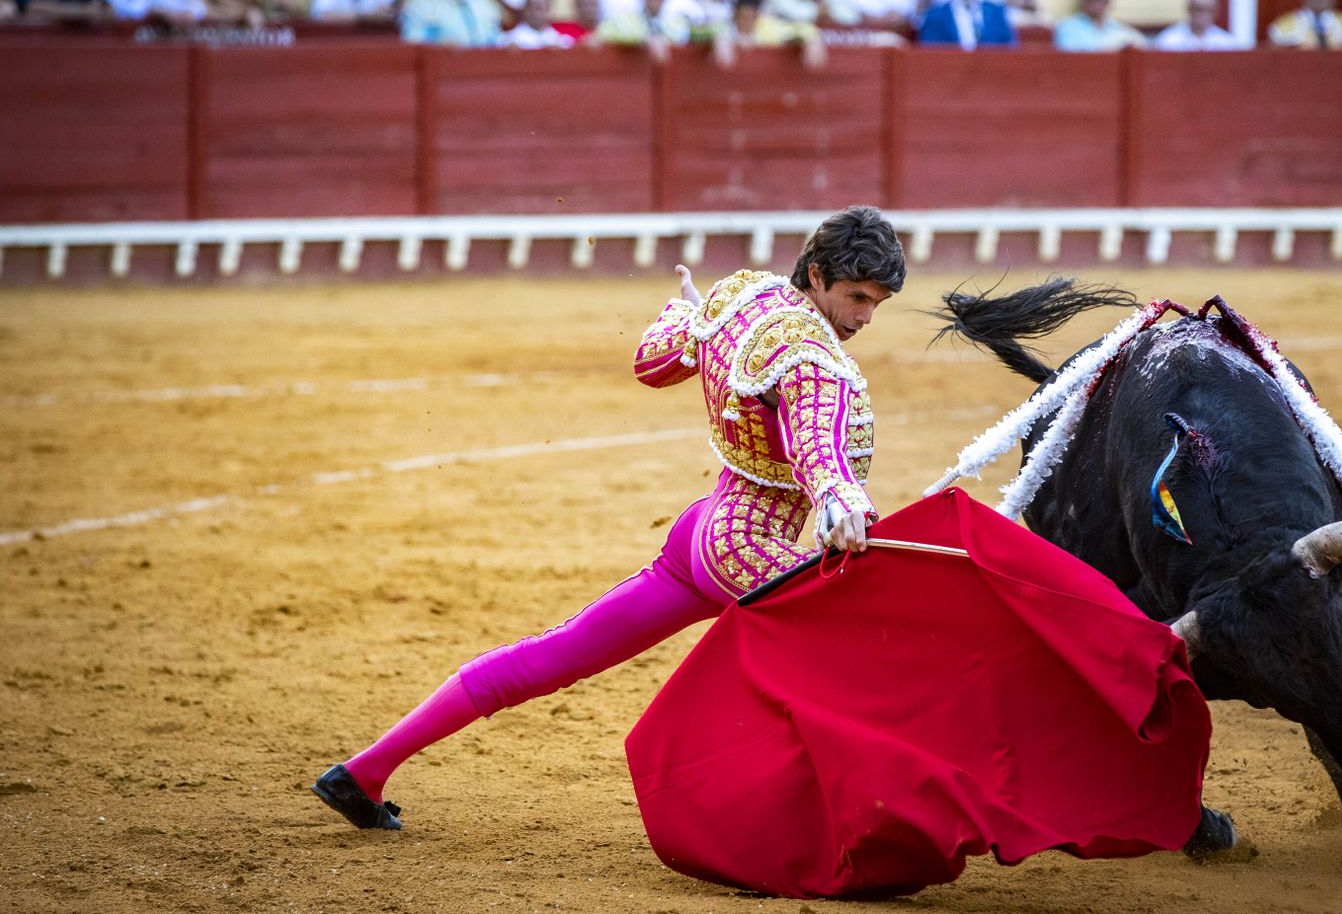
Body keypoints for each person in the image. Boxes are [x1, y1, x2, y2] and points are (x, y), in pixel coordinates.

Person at [310, 208, 906, 832]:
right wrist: (840, 501)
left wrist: (690, 316)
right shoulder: (809, 351)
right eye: (856, 296)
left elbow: (653, 365)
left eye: (877, 302)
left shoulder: (742, 295)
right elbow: (819, 445)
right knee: (876, 658)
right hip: (751, 549)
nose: (864, 316)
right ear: (816, 275)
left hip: (703, 536)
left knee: (554, 655)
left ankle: (363, 772)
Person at [713, 0, 827, 69]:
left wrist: (812, 40)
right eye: (742, 17)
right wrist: (721, 40)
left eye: (751, 17)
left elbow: (801, 29)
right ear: (734, 15)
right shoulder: (723, 28)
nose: (746, 21)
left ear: (759, 16)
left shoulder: (768, 29)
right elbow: (703, 32)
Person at [597, 0, 694, 61]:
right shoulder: (629, 19)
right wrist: (644, 39)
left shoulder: (676, 21)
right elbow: (605, 33)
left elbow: (683, 38)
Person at [1053, 0, 1145, 51]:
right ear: (1082, 0)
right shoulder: (1068, 26)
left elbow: (1141, 44)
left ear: (1110, 1)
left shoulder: (1117, 27)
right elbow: (1072, 55)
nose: (1097, 2)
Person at [1151, 0, 1241, 50]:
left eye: (1210, 10)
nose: (1204, 15)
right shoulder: (1169, 40)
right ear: (1189, 9)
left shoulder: (1226, 42)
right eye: (1199, 9)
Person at [497, 0, 575, 48]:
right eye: (533, 7)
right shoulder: (509, 40)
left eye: (541, 7)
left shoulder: (561, 41)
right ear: (525, 10)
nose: (538, 13)